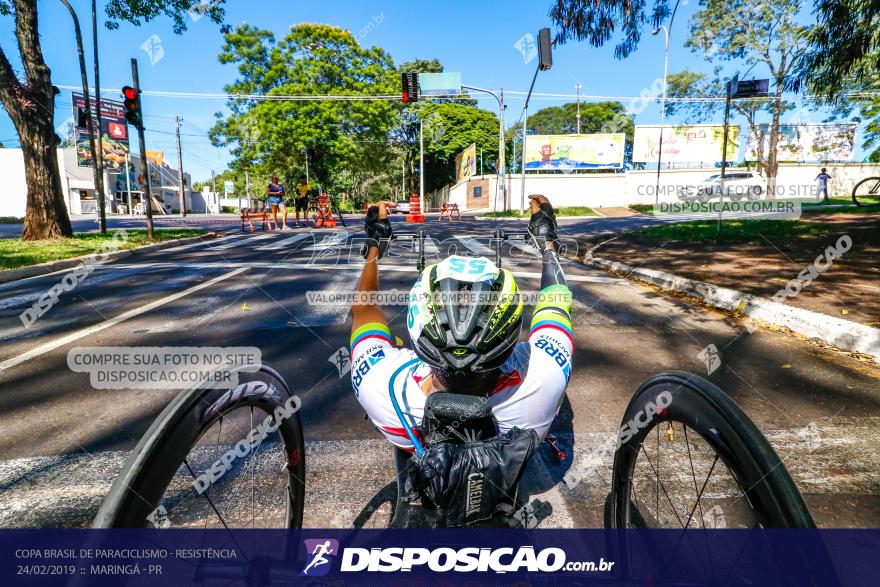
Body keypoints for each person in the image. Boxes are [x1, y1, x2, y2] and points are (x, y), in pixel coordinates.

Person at [349, 194, 571, 522]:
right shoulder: (546, 374)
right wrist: (546, 241)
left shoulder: (382, 385)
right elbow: (557, 301)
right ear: (511, 336)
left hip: (414, 434)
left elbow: (364, 310)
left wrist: (375, 245)